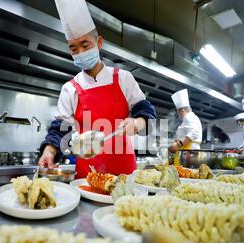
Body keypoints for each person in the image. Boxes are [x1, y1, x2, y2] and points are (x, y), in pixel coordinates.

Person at [38, 0, 156, 178]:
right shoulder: (70, 89)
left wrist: (137, 123)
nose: (80, 52)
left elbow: (146, 113)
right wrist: (49, 151)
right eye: (74, 48)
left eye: (85, 45)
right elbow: (60, 130)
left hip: (124, 174)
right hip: (87, 176)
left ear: (99, 42)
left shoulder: (123, 78)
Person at [168, 89, 202, 166]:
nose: (178, 114)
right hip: (190, 152)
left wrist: (178, 145)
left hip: (189, 153)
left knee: (185, 173)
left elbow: (194, 133)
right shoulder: (193, 117)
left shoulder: (188, 117)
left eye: (178, 111)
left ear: (182, 110)